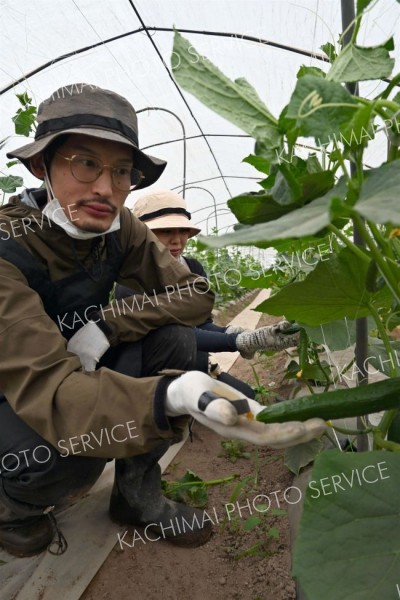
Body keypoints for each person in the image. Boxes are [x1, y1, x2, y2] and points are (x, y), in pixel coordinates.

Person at [0, 83, 326, 558]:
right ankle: (13, 508)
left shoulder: (118, 227)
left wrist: (110, 325)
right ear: (39, 166)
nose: (106, 189)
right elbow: (51, 392)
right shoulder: (8, 247)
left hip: (83, 371)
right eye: (85, 163)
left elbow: (195, 295)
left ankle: (136, 494)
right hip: (22, 390)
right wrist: (169, 396)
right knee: (69, 456)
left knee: (172, 339)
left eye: (123, 172)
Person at [115, 189, 300, 398]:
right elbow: (170, 336)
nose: (177, 240)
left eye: (183, 230)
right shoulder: (131, 282)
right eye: (166, 231)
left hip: (194, 364)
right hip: (148, 377)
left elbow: (201, 323)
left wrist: (235, 333)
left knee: (249, 399)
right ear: (142, 235)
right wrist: (239, 341)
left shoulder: (192, 268)